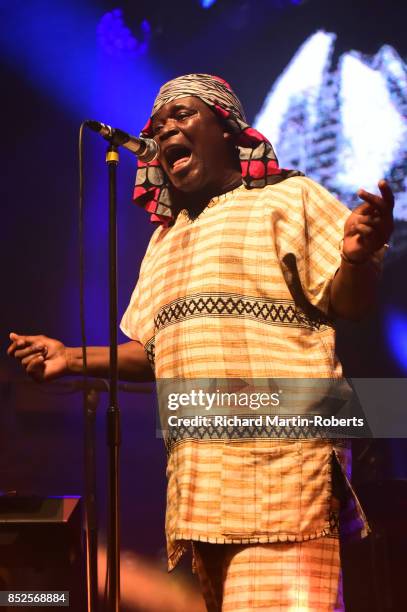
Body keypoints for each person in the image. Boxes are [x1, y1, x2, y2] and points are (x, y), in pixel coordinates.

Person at [8, 74, 394, 611]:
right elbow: (153, 354)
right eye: (159, 123)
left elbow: (350, 305)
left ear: (227, 129)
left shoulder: (288, 197)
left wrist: (355, 256)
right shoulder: (165, 239)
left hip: (282, 469)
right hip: (200, 485)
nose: (166, 127)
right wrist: (71, 357)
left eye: (183, 115)